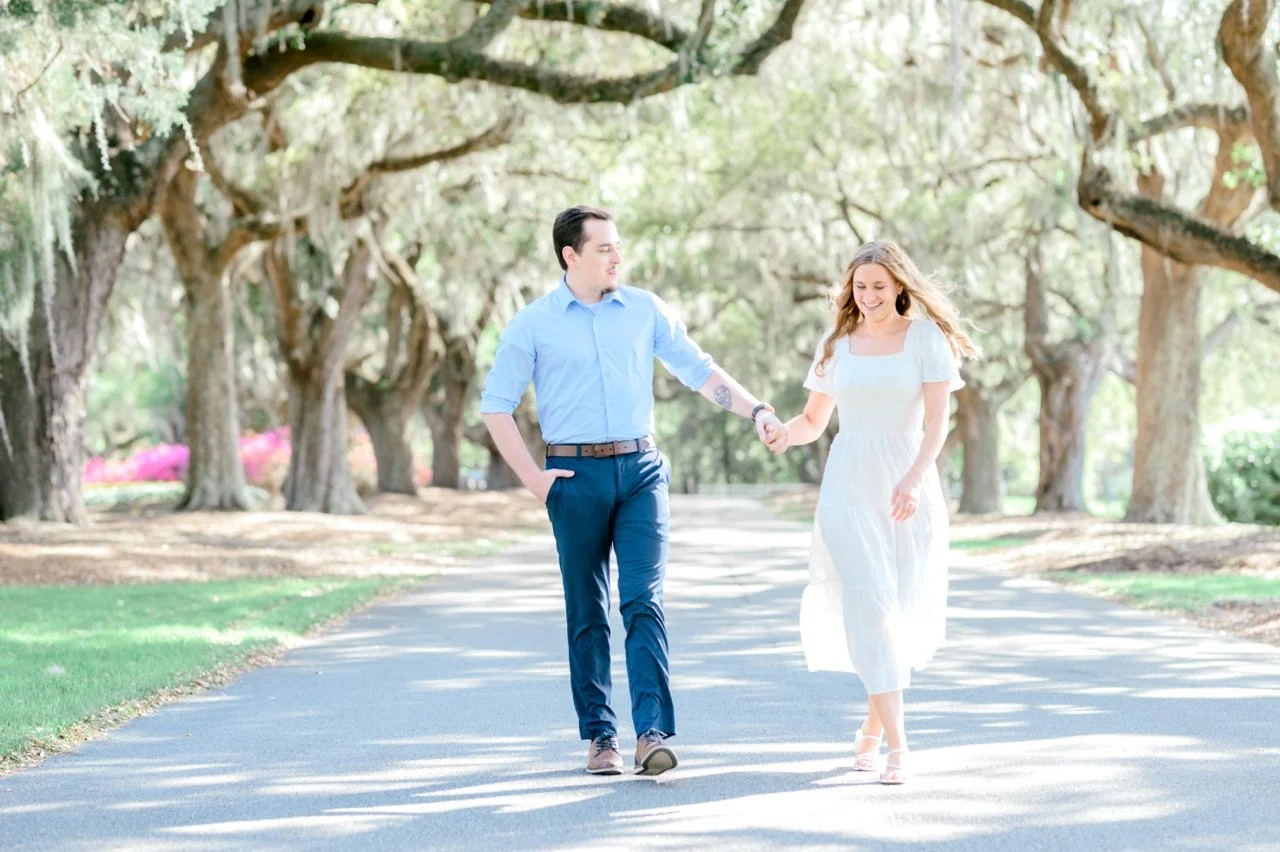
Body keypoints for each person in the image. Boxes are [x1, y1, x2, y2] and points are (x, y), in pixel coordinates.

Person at [480, 205, 784, 777]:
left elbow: (699, 370)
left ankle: (651, 733)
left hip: (642, 471)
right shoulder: (533, 323)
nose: (617, 257)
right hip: (573, 478)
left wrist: (757, 410)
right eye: (604, 249)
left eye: (619, 246)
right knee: (587, 611)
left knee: (643, 599)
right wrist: (535, 480)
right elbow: (495, 406)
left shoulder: (644, 309)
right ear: (570, 256)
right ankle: (600, 737)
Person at [764, 240, 978, 785]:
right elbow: (813, 420)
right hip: (848, 485)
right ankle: (901, 748)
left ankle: (871, 730)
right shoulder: (836, 345)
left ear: (900, 286)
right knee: (869, 603)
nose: (869, 296)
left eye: (879, 286)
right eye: (860, 287)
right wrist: (785, 434)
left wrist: (911, 479)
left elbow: (937, 424)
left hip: (908, 483)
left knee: (895, 613)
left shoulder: (926, 340)